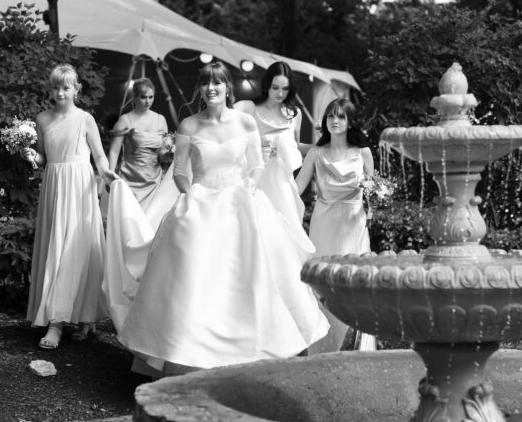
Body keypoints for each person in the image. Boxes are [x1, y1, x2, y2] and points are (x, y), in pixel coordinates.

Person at [107, 60, 328, 376]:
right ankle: (188, 354)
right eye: (206, 84)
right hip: (201, 202)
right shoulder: (189, 126)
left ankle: (250, 355)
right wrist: (190, 193)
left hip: (240, 202)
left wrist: (249, 188)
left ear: (227, 89)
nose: (211, 89)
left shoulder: (245, 123)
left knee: (250, 275)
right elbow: (181, 170)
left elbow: (256, 165)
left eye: (217, 84)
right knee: (193, 275)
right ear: (201, 88)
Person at [22, 64, 117, 349]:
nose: (60, 92)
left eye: (66, 87)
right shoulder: (42, 119)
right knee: (56, 247)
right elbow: (43, 158)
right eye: (55, 87)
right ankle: (66, 318)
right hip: (54, 186)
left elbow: (99, 157)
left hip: (79, 187)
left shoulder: (85, 119)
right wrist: (29, 155)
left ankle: (61, 322)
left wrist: (108, 173)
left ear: (76, 89)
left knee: (76, 248)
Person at [296, 97, 376, 352]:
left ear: (350, 121)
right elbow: (296, 188)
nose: (335, 121)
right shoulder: (317, 153)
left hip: (353, 223)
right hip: (324, 222)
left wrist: (374, 204)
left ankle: (357, 345)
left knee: (353, 280)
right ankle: (322, 346)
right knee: (322, 280)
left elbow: (373, 189)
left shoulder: (363, 153)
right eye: (331, 116)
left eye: (341, 116)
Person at [235, 61, 312, 254]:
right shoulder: (247, 108)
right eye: (275, 87)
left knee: (285, 236)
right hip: (254, 179)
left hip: (282, 184)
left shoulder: (295, 114)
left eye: (285, 88)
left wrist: (327, 145)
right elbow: (223, 126)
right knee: (255, 233)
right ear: (267, 85)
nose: (280, 93)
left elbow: (297, 146)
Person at [107, 77, 172, 210]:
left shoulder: (161, 120)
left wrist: (170, 154)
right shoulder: (125, 120)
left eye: (151, 97)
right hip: (130, 181)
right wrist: (109, 176)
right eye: (143, 97)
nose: (148, 101)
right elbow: (114, 151)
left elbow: (162, 154)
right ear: (134, 97)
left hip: (154, 181)